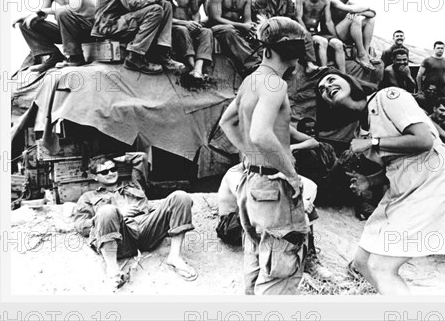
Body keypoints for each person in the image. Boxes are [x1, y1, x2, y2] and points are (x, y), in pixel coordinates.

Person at [316, 72, 445, 293]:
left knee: (381, 267)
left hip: (433, 180)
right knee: (361, 263)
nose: (327, 87)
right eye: (321, 89)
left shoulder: (388, 96)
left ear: (349, 81)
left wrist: (372, 142)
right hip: (403, 186)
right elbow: (393, 165)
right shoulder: (361, 128)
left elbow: (424, 140)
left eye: (331, 80)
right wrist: (369, 181)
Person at [219, 17, 309, 295]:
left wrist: (250, 156)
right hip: (273, 189)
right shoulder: (275, 84)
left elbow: (226, 122)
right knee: (278, 278)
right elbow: (260, 133)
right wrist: (292, 176)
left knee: (257, 263)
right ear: (295, 55)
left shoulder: (250, 81)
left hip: (250, 186)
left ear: (266, 50)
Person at [73, 152, 197, 290]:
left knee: (181, 196)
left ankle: (175, 256)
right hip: (121, 239)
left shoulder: (134, 185)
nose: (111, 173)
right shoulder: (88, 197)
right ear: (95, 177)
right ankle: (113, 269)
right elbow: (81, 226)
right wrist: (118, 213)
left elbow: (141, 158)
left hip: (147, 230)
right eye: (104, 171)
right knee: (107, 210)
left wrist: (112, 157)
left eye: (113, 169)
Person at [217, 154, 333, 282]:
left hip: (254, 222)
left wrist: (300, 197)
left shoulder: (266, 172)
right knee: (277, 208)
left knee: (292, 205)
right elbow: (249, 201)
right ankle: (273, 258)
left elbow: (310, 185)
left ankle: (308, 256)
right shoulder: (234, 173)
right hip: (231, 226)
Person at [13, 0, 95, 72]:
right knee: (25, 23)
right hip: (70, 32)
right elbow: (42, 15)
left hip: (90, 29)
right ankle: (53, 55)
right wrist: (28, 17)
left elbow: (74, 6)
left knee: (62, 11)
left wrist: (40, 12)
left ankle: (75, 57)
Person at [252, 0, 323, 75]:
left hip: (281, 28)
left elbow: (290, 18)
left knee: (305, 34)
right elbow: (259, 19)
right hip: (265, 29)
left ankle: (309, 64)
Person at [154, 0, 213, 79]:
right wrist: (186, 23)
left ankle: (198, 68)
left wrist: (196, 24)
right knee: (182, 30)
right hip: (172, 28)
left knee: (207, 32)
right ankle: (191, 65)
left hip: (188, 25)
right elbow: (161, 19)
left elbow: (196, 12)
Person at [206, 0, 261, 74]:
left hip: (236, 29)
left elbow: (247, 19)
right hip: (218, 28)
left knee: (258, 34)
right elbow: (215, 18)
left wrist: (251, 28)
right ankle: (253, 63)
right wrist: (242, 26)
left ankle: (266, 64)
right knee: (229, 30)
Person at [296, 0, 345, 73]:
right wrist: (306, 34)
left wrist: (335, 37)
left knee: (338, 44)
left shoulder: (325, 0)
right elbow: (298, 17)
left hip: (317, 32)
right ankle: (324, 71)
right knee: (323, 42)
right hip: (304, 31)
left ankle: (344, 75)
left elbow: (328, 21)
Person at [329, 0, 378, 70]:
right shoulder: (334, 1)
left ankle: (366, 52)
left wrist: (360, 13)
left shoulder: (352, 4)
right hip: (337, 33)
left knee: (370, 20)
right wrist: (365, 8)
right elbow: (349, 9)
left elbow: (373, 14)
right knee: (355, 18)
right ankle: (361, 53)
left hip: (349, 34)